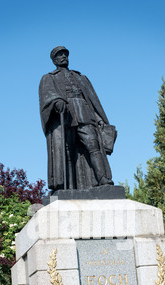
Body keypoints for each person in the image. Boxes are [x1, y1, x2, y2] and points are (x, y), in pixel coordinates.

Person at [39, 46, 116, 191]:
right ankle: (69, 187)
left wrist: (99, 119)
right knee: (67, 152)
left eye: (65, 54)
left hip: (85, 115)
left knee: (93, 146)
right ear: (54, 60)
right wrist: (56, 102)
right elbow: (47, 96)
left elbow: (92, 101)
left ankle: (103, 180)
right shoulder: (49, 78)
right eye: (59, 55)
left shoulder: (81, 77)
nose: (63, 57)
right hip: (65, 117)